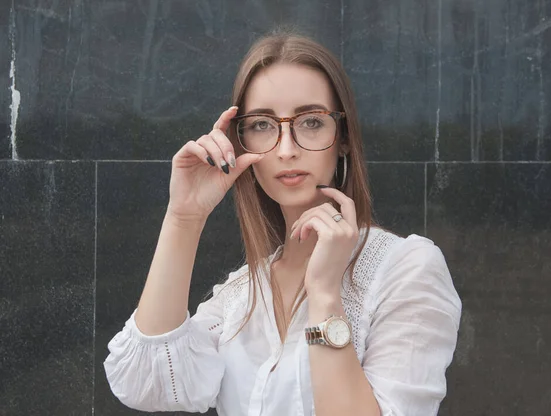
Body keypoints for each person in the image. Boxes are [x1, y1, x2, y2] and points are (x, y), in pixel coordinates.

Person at [103, 29, 462, 416]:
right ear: (241, 143)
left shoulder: (406, 269)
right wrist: (183, 218)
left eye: (310, 122)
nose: (287, 149)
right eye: (262, 125)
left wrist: (324, 295)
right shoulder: (241, 294)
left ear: (342, 137)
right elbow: (148, 383)